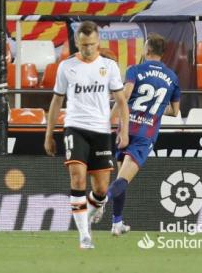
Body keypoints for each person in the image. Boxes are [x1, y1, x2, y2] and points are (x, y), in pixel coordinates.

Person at [43, 21, 130, 249]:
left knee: (101, 189)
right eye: (83, 45)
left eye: (91, 44)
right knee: (77, 178)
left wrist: (124, 130)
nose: (88, 49)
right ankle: (84, 236)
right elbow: (57, 100)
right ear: (77, 42)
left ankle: (95, 207)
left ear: (98, 41)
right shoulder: (66, 66)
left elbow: (121, 101)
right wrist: (48, 133)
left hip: (101, 130)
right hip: (75, 127)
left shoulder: (109, 66)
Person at [95, 33, 181, 236]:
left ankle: (117, 223)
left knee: (120, 178)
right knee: (123, 180)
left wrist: (108, 119)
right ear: (162, 52)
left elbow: (124, 96)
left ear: (147, 50)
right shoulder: (172, 77)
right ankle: (99, 201)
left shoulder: (135, 70)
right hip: (146, 134)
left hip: (125, 129)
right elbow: (175, 111)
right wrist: (157, 108)